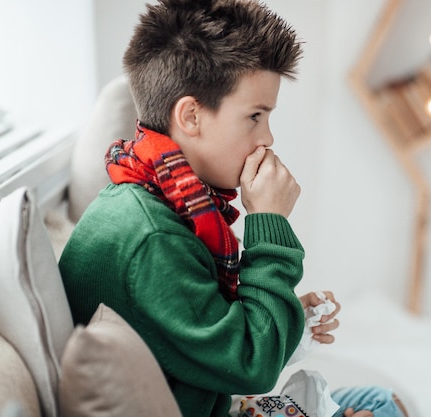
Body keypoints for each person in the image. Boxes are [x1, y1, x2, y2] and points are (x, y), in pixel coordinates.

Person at [58, 1, 408, 417]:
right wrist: (269, 222)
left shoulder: (160, 200)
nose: (268, 139)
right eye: (255, 116)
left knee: (377, 402)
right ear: (191, 116)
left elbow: (206, 336)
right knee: (382, 411)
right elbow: (252, 366)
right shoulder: (153, 239)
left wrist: (288, 324)